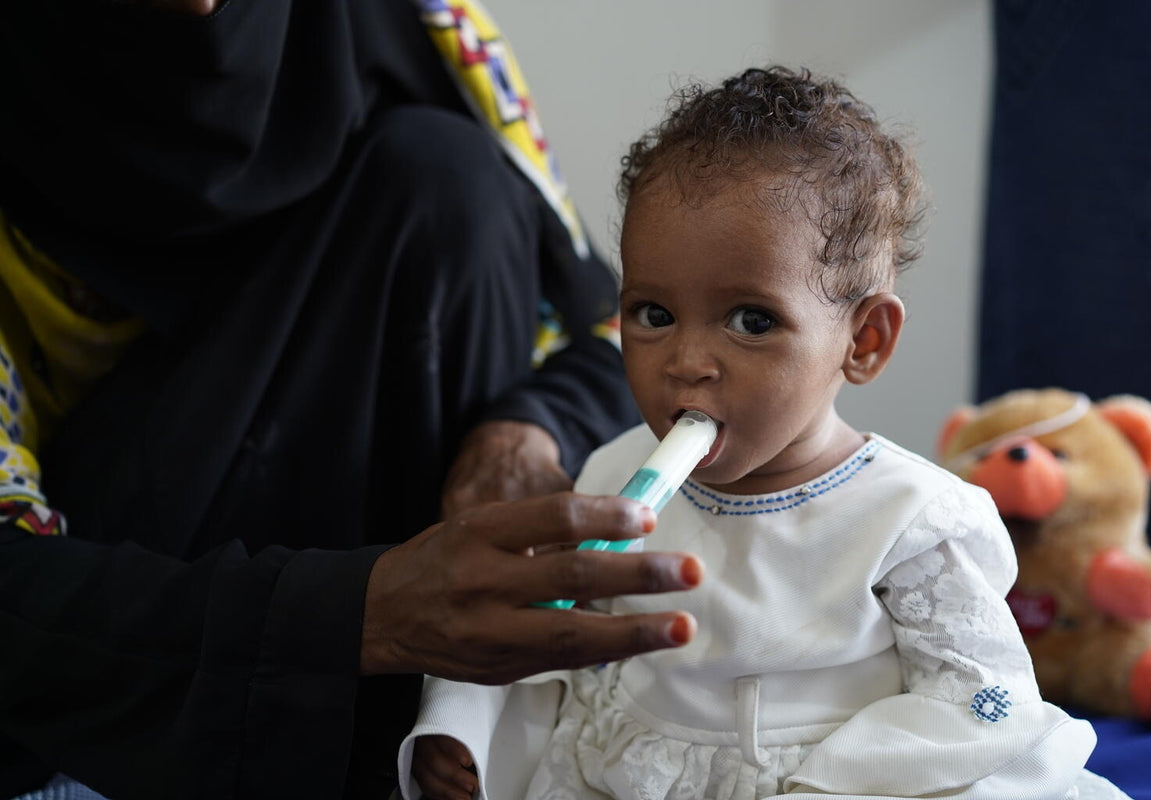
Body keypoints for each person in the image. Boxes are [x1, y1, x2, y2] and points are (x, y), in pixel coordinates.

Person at [0, 2, 706, 799]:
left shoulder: (413, 23)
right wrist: (358, 614)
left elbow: (617, 329)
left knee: (448, 179)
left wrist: (526, 427)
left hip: (391, 639)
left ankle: (435, 739)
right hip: (122, 601)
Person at [402, 66, 1131, 800]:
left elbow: (979, 708)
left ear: (864, 340)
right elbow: (541, 635)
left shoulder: (911, 521)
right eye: (653, 315)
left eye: (752, 321)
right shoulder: (612, 478)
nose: (685, 363)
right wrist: (461, 727)